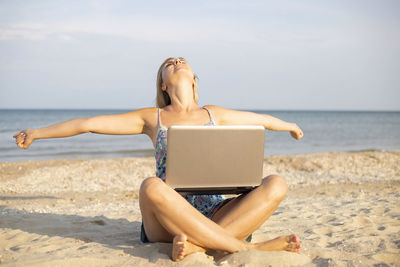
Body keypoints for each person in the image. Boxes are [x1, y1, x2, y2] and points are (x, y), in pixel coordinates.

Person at [14, 57, 304, 261]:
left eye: (181, 61)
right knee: (151, 185)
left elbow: (260, 120)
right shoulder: (152, 118)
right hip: (167, 221)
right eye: (169, 64)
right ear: (163, 85)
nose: (177, 62)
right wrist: (38, 132)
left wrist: (290, 126)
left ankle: (196, 247)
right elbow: (89, 123)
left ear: (194, 79)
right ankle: (246, 249)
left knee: (276, 183)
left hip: (216, 212)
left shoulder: (215, 113)